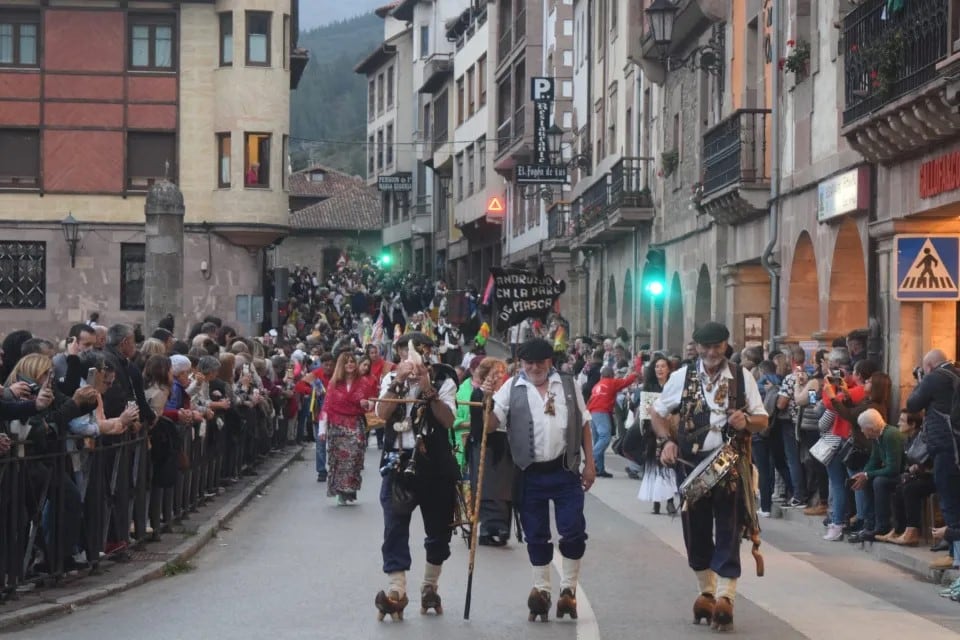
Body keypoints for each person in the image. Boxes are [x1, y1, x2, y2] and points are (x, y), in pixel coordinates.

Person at [650, 322, 767, 632]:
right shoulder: (681, 376)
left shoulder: (742, 377)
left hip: (730, 465)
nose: (712, 352)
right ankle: (706, 591)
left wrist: (746, 421)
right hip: (691, 465)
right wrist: (667, 441)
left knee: (730, 528)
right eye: (707, 346)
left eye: (717, 346)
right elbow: (656, 412)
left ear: (726, 345)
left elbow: (762, 419)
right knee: (696, 530)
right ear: (697, 347)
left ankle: (726, 597)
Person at [482, 337, 595, 622]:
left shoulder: (568, 384)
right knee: (536, 533)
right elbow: (489, 425)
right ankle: (542, 590)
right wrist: (485, 398)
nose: (534, 368)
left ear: (550, 362)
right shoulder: (511, 387)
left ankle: (568, 589)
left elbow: (584, 423)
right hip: (529, 472)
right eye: (529, 363)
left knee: (573, 530)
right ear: (521, 363)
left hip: (565, 469)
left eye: (540, 362)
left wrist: (590, 465)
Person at [373, 332, 459, 620]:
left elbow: (448, 419)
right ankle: (396, 589)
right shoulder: (391, 379)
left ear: (430, 354)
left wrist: (427, 388)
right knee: (394, 527)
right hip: (398, 464)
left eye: (418, 352)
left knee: (439, 531)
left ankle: (429, 586)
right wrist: (398, 382)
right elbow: (382, 413)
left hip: (435, 465)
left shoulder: (444, 380)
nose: (409, 357)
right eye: (404, 352)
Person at [905, 349, 960, 570]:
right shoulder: (955, 375)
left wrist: (921, 381)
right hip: (955, 445)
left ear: (929, 366)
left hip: (945, 447)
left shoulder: (934, 377)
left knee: (949, 500)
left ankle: (955, 554)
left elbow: (912, 404)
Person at [468, 357, 512, 546]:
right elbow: (480, 422)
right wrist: (486, 398)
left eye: (501, 373)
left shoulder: (506, 393)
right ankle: (489, 527)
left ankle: (502, 526)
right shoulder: (478, 394)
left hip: (503, 444)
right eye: (495, 374)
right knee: (487, 486)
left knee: (505, 487)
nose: (499, 377)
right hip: (484, 443)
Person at [321, 351, 374, 505]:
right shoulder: (334, 383)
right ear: (341, 365)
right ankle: (340, 491)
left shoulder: (363, 382)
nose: (350, 364)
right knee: (339, 460)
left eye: (352, 361)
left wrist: (367, 404)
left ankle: (349, 489)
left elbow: (372, 401)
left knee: (354, 457)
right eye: (346, 362)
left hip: (355, 424)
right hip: (337, 426)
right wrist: (322, 429)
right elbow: (326, 406)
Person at [847, 409, 904, 542]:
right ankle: (870, 524)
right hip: (893, 472)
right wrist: (863, 475)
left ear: (871, 429)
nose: (862, 431)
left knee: (879, 482)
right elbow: (874, 460)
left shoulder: (890, 435)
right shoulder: (877, 437)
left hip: (903, 474)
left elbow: (894, 469)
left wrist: (868, 474)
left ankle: (882, 526)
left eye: (863, 428)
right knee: (868, 480)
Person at [637, 354, 675, 514]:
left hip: (671, 430)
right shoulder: (649, 387)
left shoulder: (673, 386)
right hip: (652, 432)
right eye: (657, 366)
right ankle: (656, 501)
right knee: (654, 465)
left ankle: (670, 501)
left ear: (668, 369)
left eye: (663, 366)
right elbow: (645, 410)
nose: (660, 369)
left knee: (669, 465)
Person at [586, 366, 637, 478]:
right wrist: (635, 374)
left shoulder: (597, 385)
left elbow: (590, 400)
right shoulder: (611, 382)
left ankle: (599, 469)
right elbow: (626, 382)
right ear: (611, 375)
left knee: (598, 440)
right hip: (602, 411)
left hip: (592, 412)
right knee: (605, 437)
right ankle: (591, 458)